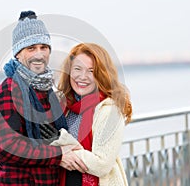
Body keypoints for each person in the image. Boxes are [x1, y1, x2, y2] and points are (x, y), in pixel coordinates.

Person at [0, 11, 87, 186]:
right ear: (18, 54)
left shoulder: (46, 89)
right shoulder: (8, 91)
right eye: (31, 48)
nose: (39, 54)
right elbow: (6, 147)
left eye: (43, 47)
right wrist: (58, 156)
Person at [51, 43, 132, 186]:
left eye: (91, 71)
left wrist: (63, 153)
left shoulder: (109, 110)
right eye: (77, 69)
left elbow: (102, 163)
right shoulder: (64, 106)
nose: (83, 77)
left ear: (101, 75)